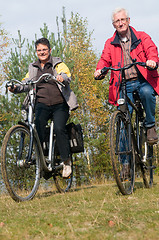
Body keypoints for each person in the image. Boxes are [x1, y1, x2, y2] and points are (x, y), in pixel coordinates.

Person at [8, 37, 78, 178]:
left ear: (49, 50)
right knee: (37, 127)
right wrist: (15, 88)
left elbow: (66, 74)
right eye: (39, 50)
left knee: (59, 128)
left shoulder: (57, 63)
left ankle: (66, 161)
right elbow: (26, 83)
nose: (42, 52)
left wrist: (61, 77)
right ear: (36, 52)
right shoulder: (33, 68)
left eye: (44, 49)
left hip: (60, 105)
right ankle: (41, 160)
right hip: (42, 105)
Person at [94, 7, 159, 145]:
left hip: (142, 80)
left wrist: (152, 60)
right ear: (114, 25)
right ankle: (124, 164)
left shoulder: (142, 36)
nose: (121, 23)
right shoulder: (110, 43)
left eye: (123, 19)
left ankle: (150, 125)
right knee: (123, 123)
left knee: (147, 93)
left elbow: (151, 50)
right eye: (117, 21)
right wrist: (99, 70)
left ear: (128, 21)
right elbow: (104, 60)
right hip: (123, 85)